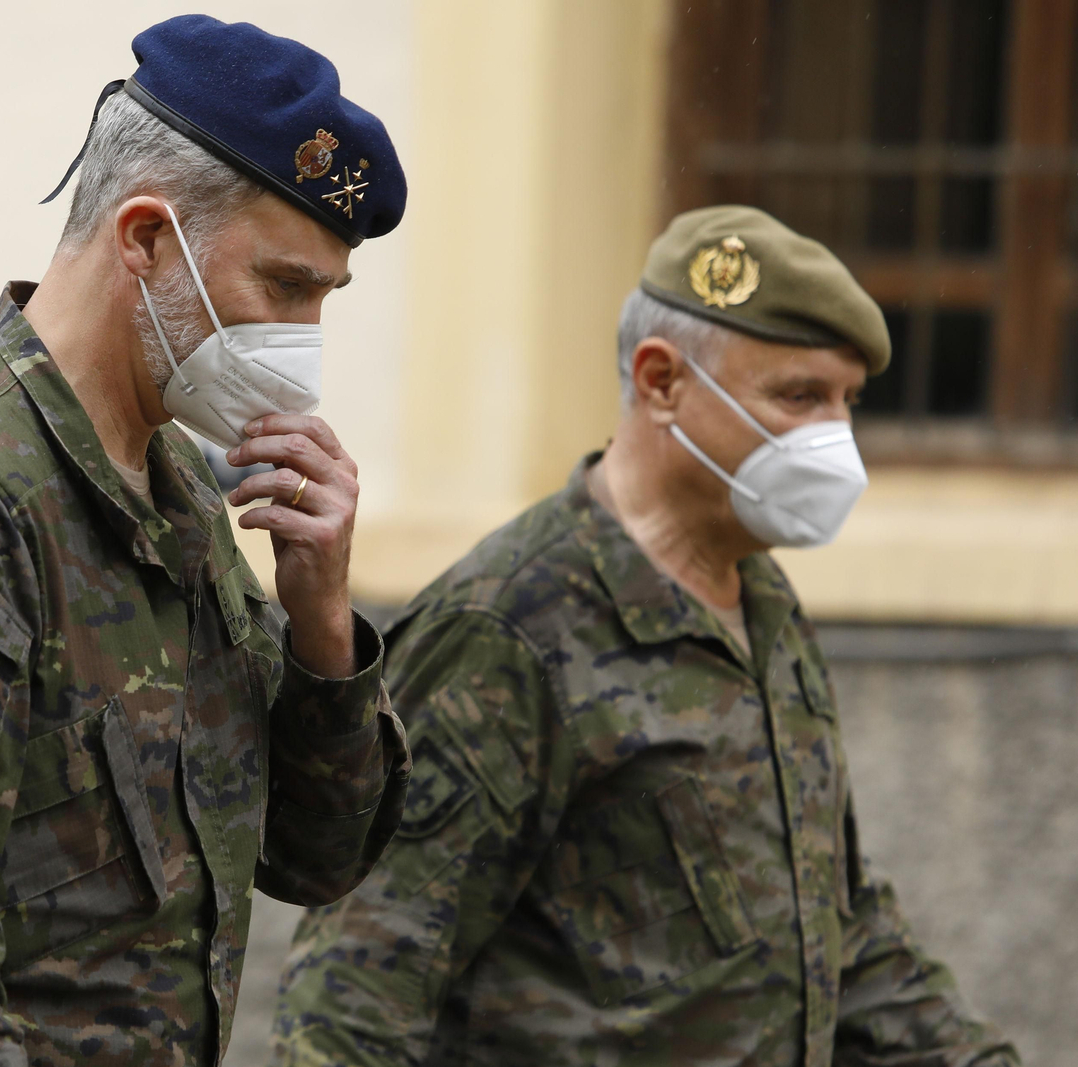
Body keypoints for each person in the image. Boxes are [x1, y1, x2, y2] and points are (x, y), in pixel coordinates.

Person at [0, 15, 411, 1066]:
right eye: (284, 286)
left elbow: (311, 856)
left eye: (323, 297)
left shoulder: (179, 488)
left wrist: (322, 626)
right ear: (144, 239)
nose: (303, 341)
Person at [270, 205, 1020, 1066]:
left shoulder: (762, 604)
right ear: (662, 381)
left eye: (846, 403)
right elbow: (355, 998)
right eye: (800, 396)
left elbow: (835, 926)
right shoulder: (509, 625)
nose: (834, 438)